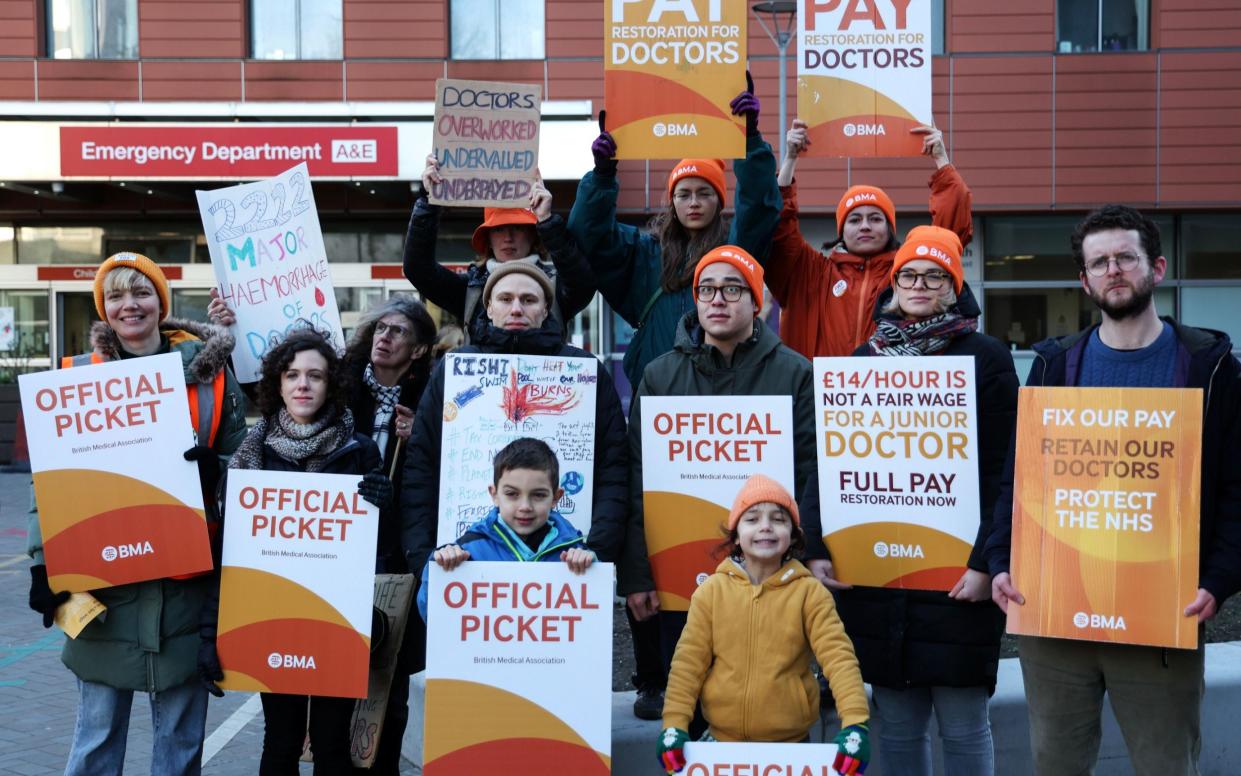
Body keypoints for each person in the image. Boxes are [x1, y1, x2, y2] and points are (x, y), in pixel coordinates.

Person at [984, 205, 1241, 776]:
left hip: (1161, 613)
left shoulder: (1208, 366)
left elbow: (1235, 490)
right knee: (1056, 764)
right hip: (1057, 612)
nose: (1113, 270)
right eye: (1099, 262)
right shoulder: (1054, 364)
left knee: (1165, 766)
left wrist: (1219, 582)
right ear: (1084, 280)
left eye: (1126, 257)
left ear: (1157, 266)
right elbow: (1019, 477)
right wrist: (1002, 559)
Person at [25, 251, 247, 776]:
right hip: (104, 590)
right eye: (117, 295)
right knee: (96, 739)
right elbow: (47, 484)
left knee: (179, 742)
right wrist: (41, 562)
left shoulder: (211, 376)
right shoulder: (77, 379)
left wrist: (219, 472)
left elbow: (246, 457)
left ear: (160, 302)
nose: (131, 305)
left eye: (142, 292)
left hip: (187, 587)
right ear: (104, 308)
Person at [838, 226, 1015, 775]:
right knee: (895, 724)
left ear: (952, 285)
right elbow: (839, 464)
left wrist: (987, 562)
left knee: (963, 726)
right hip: (881, 573)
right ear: (894, 284)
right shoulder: (863, 359)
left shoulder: (987, 358)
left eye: (934, 275)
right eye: (908, 274)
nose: (919, 284)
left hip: (959, 576)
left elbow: (1006, 469)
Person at [623, 245, 837, 676]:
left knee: (773, 699)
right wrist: (637, 575)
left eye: (732, 289)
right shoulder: (660, 376)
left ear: (756, 302)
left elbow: (813, 471)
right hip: (679, 579)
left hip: (772, 574)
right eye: (707, 289)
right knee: (688, 702)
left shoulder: (796, 374)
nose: (717, 299)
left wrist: (810, 550)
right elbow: (637, 476)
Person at [198, 328, 393, 775]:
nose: (303, 384)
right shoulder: (254, 455)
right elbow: (231, 555)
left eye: (315, 376)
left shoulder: (358, 449)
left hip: (336, 621)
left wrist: (386, 503)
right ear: (277, 384)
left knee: (331, 746)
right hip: (274, 621)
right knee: (280, 744)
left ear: (332, 385)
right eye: (292, 375)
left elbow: (380, 552)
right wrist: (211, 636)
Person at [399, 262, 628, 638]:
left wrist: (597, 552)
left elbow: (613, 470)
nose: (517, 308)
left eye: (529, 299)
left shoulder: (583, 371)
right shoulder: (454, 369)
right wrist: (426, 556)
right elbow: (422, 468)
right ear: (488, 307)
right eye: (505, 298)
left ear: (545, 309)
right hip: (468, 564)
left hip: (569, 566)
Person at [567, 76, 782, 392]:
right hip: (656, 393)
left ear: (719, 200)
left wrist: (749, 139)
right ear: (672, 201)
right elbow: (588, 236)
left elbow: (757, 209)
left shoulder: (734, 251)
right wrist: (601, 176)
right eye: (684, 194)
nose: (693, 202)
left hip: (723, 393)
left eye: (704, 193)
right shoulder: (643, 252)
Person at [655, 475, 871, 776]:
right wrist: (673, 725)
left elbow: (839, 660)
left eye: (778, 519)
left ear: (794, 536)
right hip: (720, 748)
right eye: (752, 519)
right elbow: (687, 665)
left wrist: (855, 724)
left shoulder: (810, 593)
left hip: (792, 751)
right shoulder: (711, 592)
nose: (765, 526)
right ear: (736, 535)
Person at [738, 118, 972, 359]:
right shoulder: (809, 274)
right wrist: (790, 160)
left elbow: (948, 235)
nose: (865, 226)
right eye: (854, 219)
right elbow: (779, 226)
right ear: (841, 230)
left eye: (875, 218)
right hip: (817, 395)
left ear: (890, 227)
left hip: (891, 394)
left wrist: (941, 160)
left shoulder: (908, 275)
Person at [340, 295, 437, 775]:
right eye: (381, 328)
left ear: (418, 350)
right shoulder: (339, 391)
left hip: (397, 558)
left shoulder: (432, 401)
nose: (385, 337)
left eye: (399, 331)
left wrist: (421, 435)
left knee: (390, 681)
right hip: (340, 551)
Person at [403, 160, 595, 343]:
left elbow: (583, 284)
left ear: (534, 235)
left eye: (518, 227)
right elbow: (418, 269)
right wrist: (429, 200)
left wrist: (546, 220)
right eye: (498, 229)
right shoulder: (471, 289)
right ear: (488, 238)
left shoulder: (555, 286)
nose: (508, 237)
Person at [416, 438, 595, 620]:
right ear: (494, 494)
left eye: (538, 495)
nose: (525, 506)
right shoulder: (469, 551)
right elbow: (432, 616)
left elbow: (592, 618)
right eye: (512, 494)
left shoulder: (574, 554)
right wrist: (440, 567)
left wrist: (591, 567)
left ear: (556, 497)